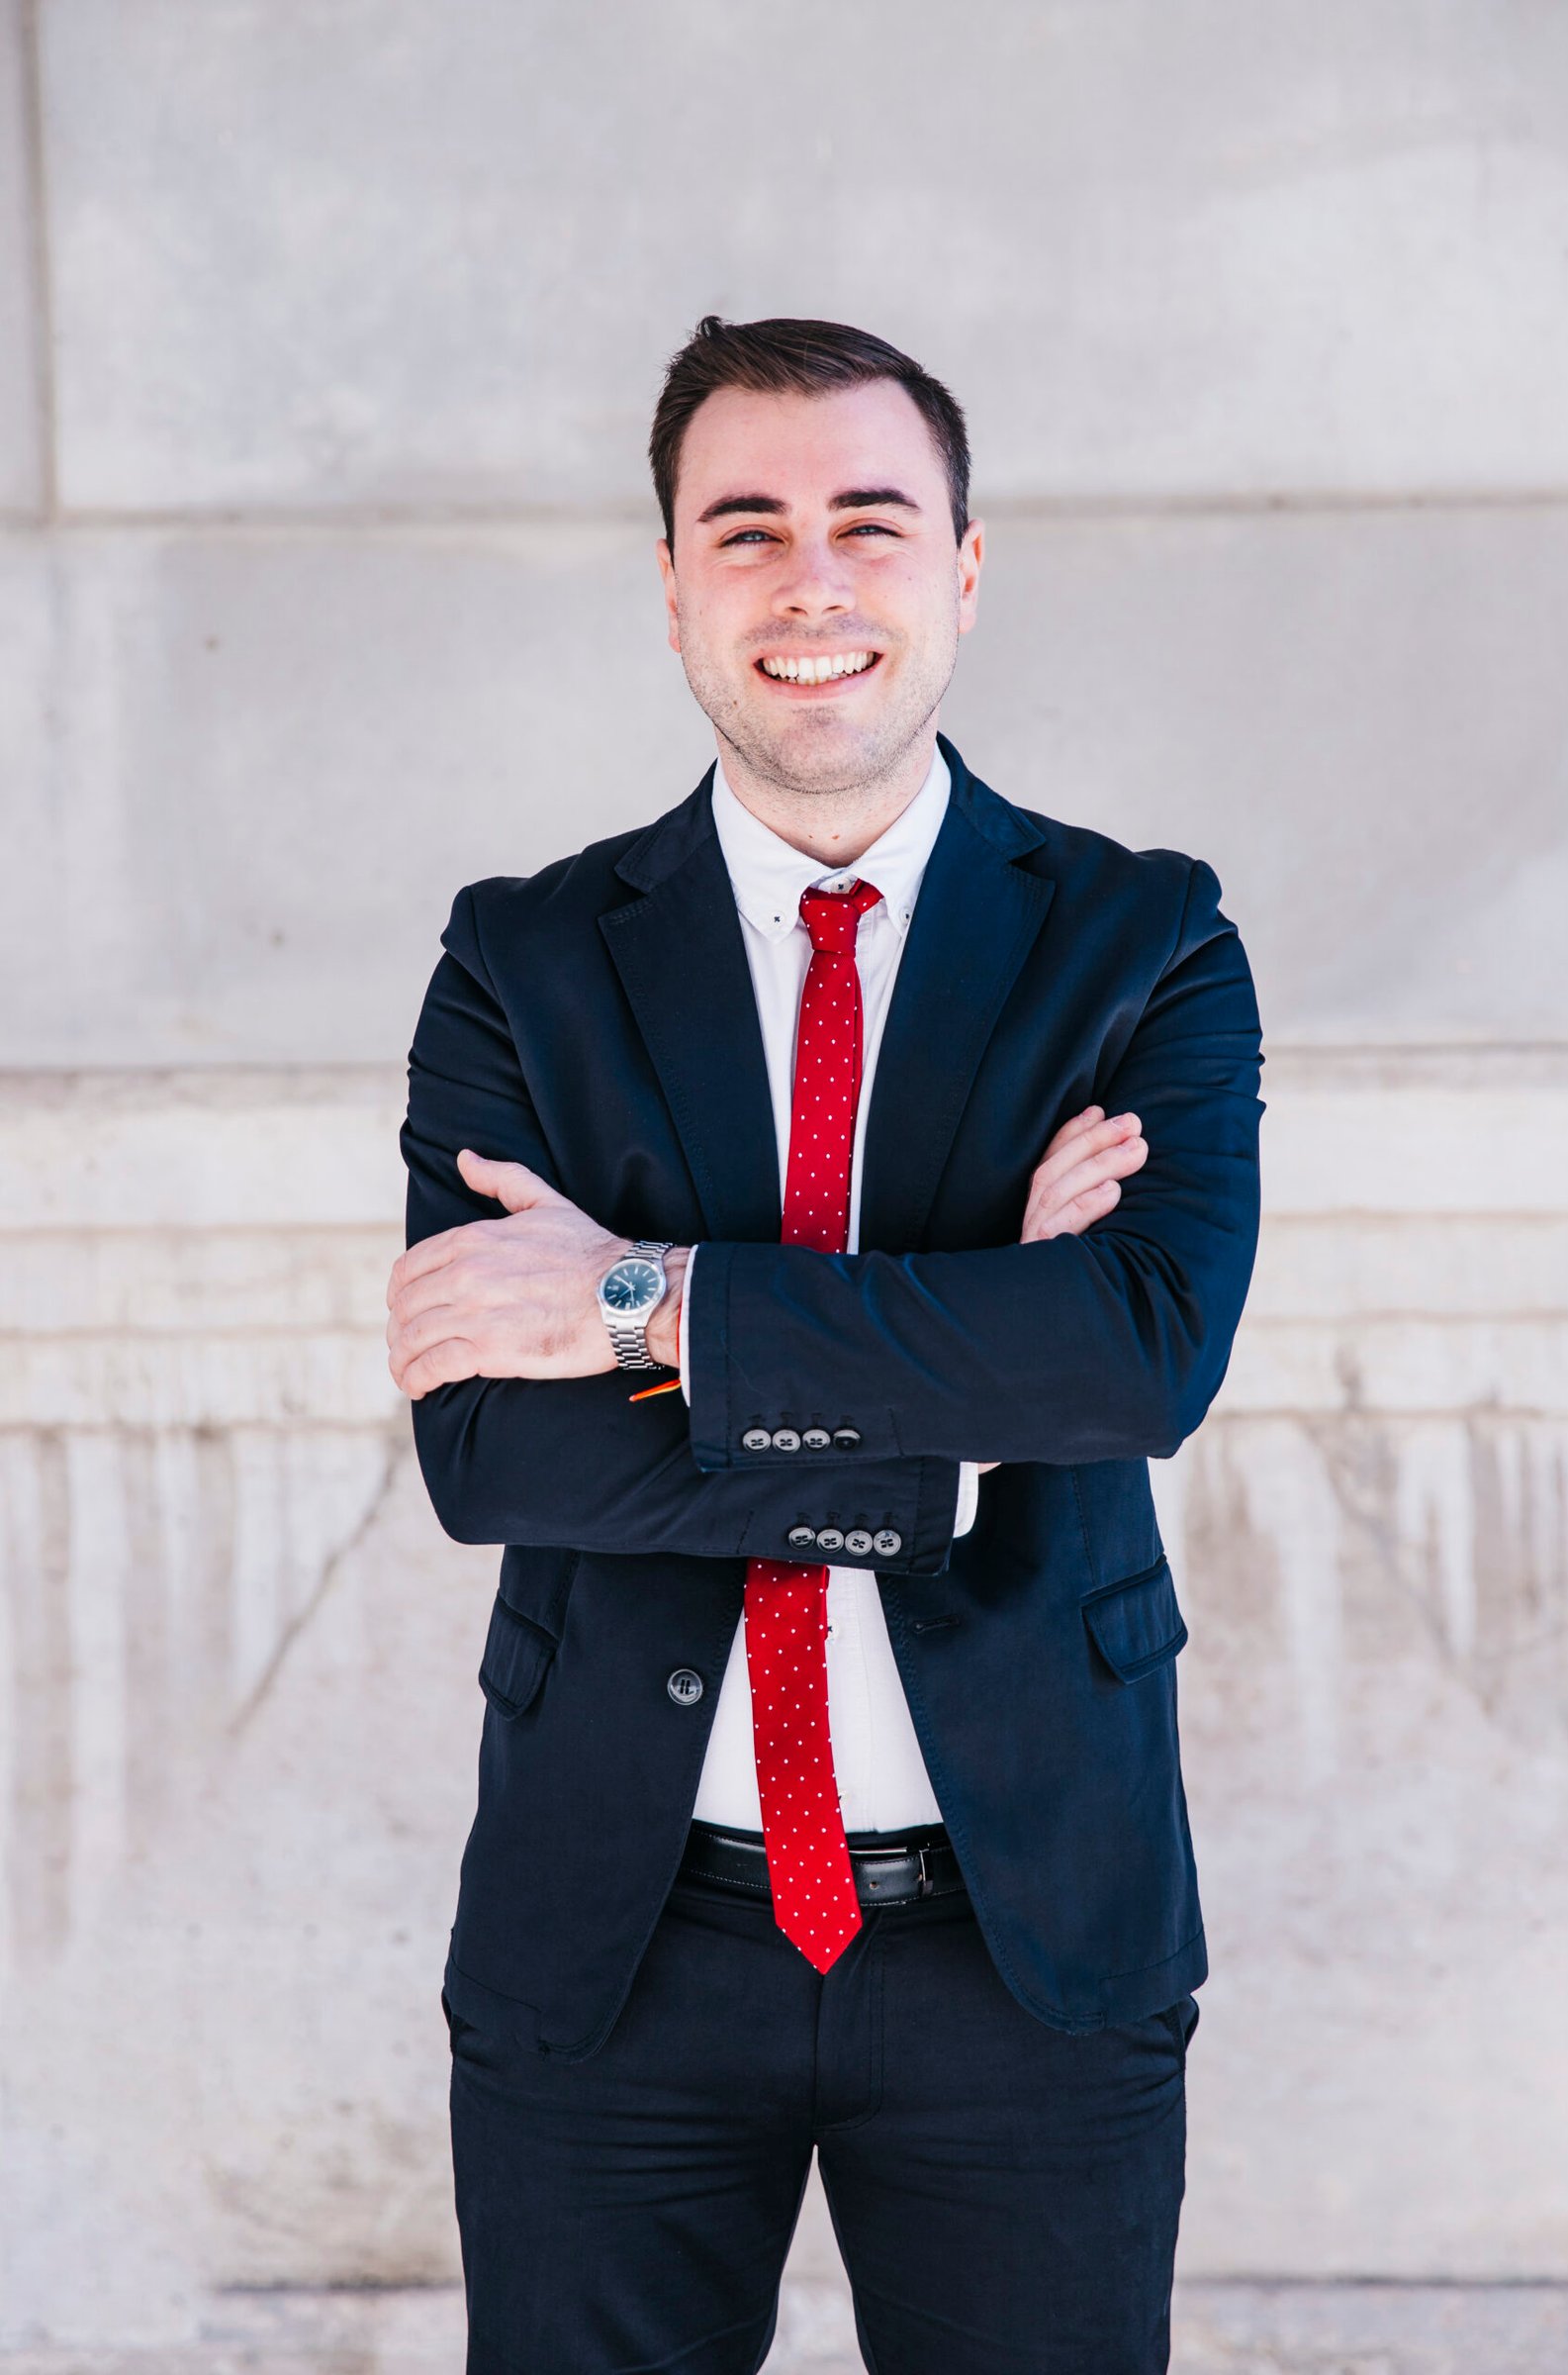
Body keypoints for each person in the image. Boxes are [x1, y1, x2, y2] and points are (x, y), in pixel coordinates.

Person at [386, 314, 1263, 2375]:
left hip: (1025, 1927)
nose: (811, 581)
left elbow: (1131, 1364)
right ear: (673, 585)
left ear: (960, 571)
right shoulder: (523, 961)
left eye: (871, 524)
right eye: (745, 527)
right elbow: (493, 1459)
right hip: (618, 1928)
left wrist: (641, 1302)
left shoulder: (1137, 942)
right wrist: (965, 1397)